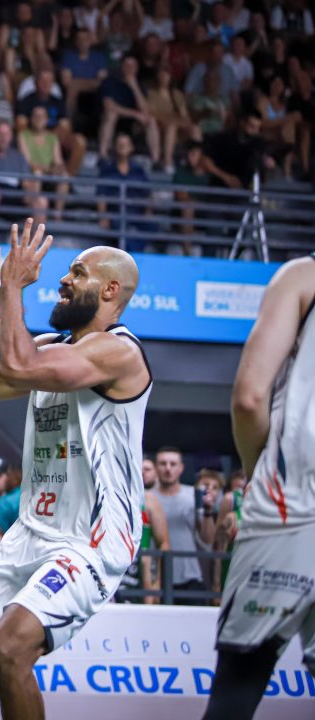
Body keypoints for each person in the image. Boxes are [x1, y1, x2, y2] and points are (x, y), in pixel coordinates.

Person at [0, 226, 153, 720]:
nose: (63, 279)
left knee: (10, 649)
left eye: (78, 272)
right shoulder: (51, 348)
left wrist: (12, 287)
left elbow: (17, 364)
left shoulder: (119, 352)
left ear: (110, 290)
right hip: (31, 532)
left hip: (91, 539)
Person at [204, 254, 315, 720]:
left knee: (239, 685)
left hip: (289, 501)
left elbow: (250, 399)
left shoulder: (303, 275)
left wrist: (255, 476)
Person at [151, 447, 216, 605]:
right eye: (163, 463)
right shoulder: (147, 498)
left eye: (173, 464)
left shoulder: (193, 496)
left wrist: (208, 511)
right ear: (156, 467)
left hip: (190, 577)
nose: (168, 468)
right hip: (157, 578)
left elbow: (208, 540)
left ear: (181, 468)